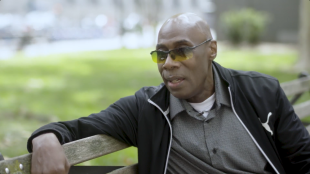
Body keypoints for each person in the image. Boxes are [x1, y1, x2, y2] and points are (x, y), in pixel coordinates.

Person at [27, 13, 310, 174]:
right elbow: (74, 128)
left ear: (211, 50)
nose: (169, 63)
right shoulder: (146, 108)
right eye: (161, 54)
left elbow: (303, 160)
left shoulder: (260, 92)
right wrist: (44, 139)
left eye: (182, 50)